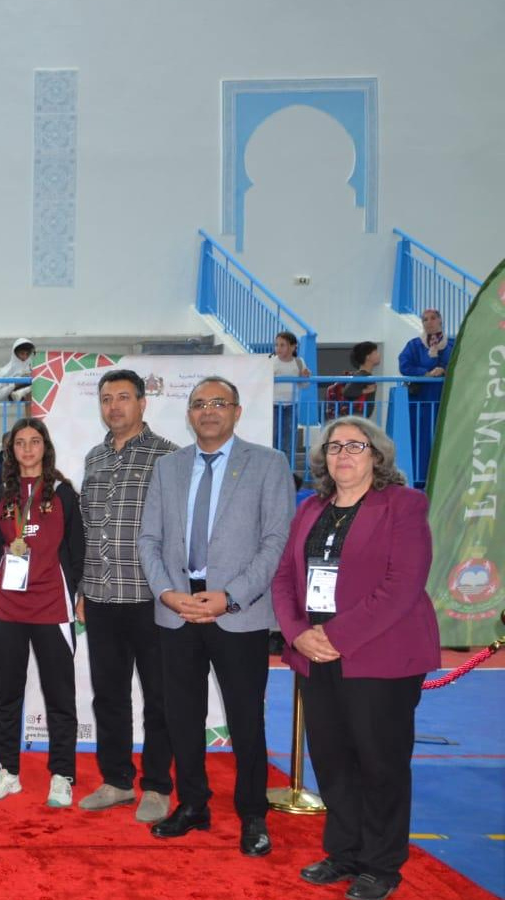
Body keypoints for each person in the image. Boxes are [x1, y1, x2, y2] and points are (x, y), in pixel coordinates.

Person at [273, 417, 440, 900]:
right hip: (315, 655)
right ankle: (344, 852)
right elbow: (284, 577)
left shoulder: (404, 506)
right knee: (332, 760)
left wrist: (334, 636)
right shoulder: (311, 509)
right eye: (333, 446)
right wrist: (299, 634)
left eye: (355, 445)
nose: (343, 454)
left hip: (380, 657)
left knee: (380, 763)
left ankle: (381, 865)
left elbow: (402, 585)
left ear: (377, 454)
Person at [138, 376, 293, 856]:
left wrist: (233, 595)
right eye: (199, 404)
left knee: (247, 719)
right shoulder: (169, 467)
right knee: (182, 717)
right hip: (178, 610)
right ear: (189, 414)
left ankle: (252, 814)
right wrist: (166, 593)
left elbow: (276, 543)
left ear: (237, 412)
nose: (208, 411)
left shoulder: (268, 464)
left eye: (218, 403)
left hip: (237, 613)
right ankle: (194, 804)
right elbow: (148, 540)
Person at [76, 370, 180, 823]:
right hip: (100, 597)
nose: (114, 406)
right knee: (109, 695)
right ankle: (117, 780)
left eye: (123, 398)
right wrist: (80, 588)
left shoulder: (169, 457)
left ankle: (156, 785)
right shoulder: (94, 458)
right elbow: (85, 527)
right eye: (106, 399)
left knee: (160, 696)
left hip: (150, 598)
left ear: (142, 403)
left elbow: (178, 532)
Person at [0, 418, 84, 807]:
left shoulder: (64, 494)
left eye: (34, 441)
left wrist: (79, 593)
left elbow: (77, 550)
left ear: (45, 447)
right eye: (20, 443)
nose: (27, 449)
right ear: (11, 451)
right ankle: (7, 771)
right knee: (6, 696)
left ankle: (62, 774)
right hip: (6, 608)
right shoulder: (0, 498)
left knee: (60, 697)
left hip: (52, 608)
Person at [396, 309, 451, 487]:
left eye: (433, 318)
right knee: (421, 441)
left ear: (440, 320)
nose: (429, 322)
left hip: (445, 402)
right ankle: (420, 482)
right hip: (420, 403)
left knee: (445, 439)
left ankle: (444, 483)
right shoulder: (414, 345)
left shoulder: (452, 344)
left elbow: (462, 363)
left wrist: (443, 369)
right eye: (425, 319)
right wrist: (425, 373)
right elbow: (404, 365)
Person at [271, 330, 312, 459]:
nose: (278, 348)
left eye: (282, 345)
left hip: (291, 406)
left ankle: (287, 470)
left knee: (288, 440)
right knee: (273, 438)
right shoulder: (272, 362)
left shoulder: (299, 362)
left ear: (293, 346)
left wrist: (305, 378)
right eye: (276, 345)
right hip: (273, 406)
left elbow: (304, 386)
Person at [327, 341, 381, 420]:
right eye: (376, 352)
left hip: (358, 417)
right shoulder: (362, 375)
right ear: (368, 357)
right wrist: (368, 390)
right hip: (357, 417)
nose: (379, 355)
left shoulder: (363, 374)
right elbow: (347, 392)